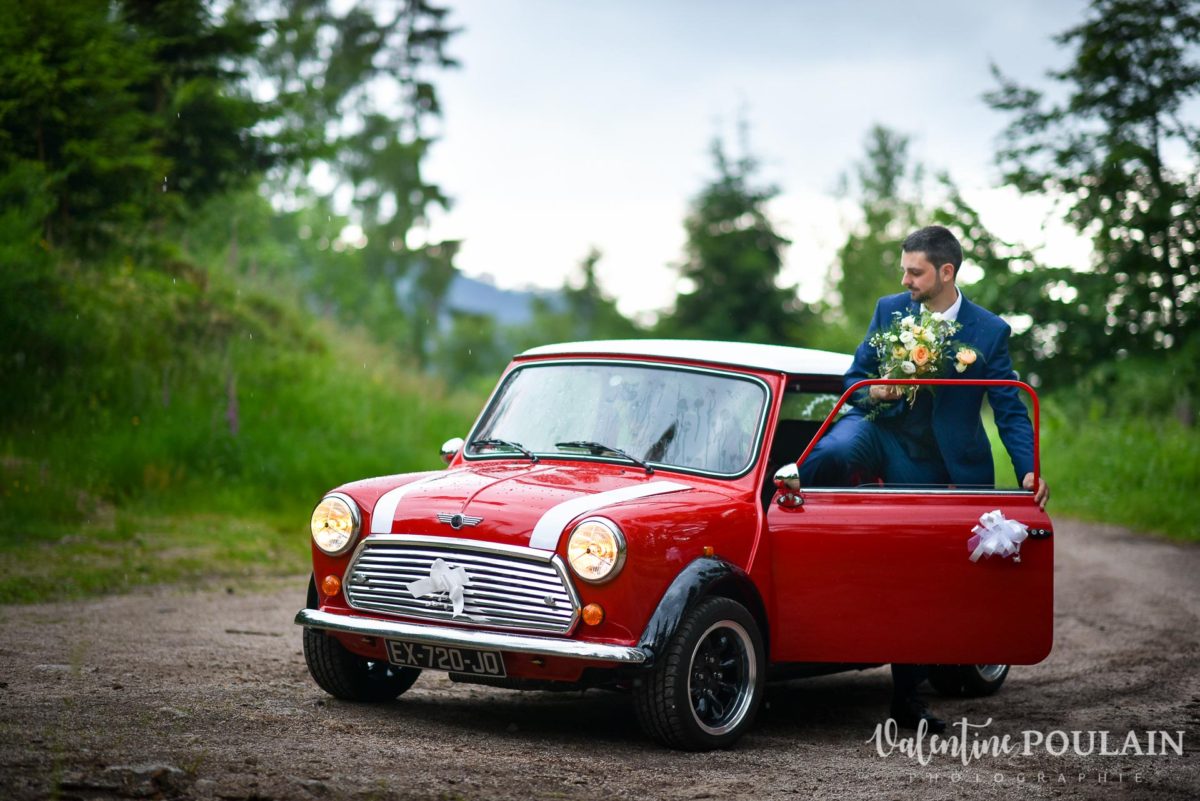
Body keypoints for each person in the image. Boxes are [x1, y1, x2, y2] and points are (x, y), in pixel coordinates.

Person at [799, 225, 1049, 733]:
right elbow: (854, 379)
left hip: (942, 466)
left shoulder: (989, 332)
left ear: (946, 272)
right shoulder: (890, 310)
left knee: (919, 572)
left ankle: (908, 702)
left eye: (915, 272)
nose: (906, 280)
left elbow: (1010, 408)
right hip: (885, 434)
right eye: (905, 271)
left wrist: (1028, 468)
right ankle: (787, 509)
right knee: (837, 448)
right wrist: (878, 395)